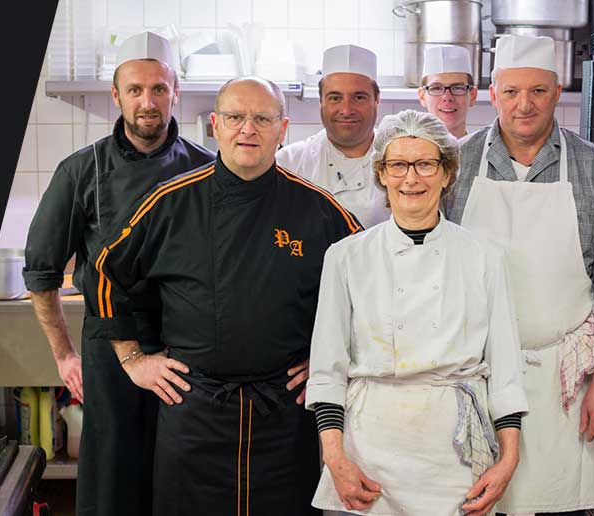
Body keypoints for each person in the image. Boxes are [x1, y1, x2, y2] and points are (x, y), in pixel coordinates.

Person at [83, 77, 362, 516]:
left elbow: (371, 290)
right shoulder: (169, 202)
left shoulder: (319, 210)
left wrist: (331, 362)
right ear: (215, 125)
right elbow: (103, 272)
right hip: (194, 411)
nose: (247, 129)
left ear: (282, 128)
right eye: (235, 117)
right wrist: (133, 359)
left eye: (262, 119)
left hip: (285, 415)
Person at [444, 34, 594, 516]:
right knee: (470, 504)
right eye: (511, 91)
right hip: (474, 379)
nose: (524, 105)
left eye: (537, 91)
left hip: (560, 386)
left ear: (558, 91)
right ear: (492, 94)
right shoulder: (456, 164)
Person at [23, 32, 215, 516]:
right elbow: (42, 273)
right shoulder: (81, 171)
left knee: (181, 473)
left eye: (158, 89)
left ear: (175, 90)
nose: (147, 101)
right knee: (112, 475)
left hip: (187, 348)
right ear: (117, 96)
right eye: (135, 90)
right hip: (110, 347)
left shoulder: (206, 169)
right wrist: (65, 355)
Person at [306, 109, 529, 516]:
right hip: (368, 450)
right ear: (382, 175)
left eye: (426, 164)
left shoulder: (483, 257)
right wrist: (335, 459)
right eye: (398, 165)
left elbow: (507, 369)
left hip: (455, 455)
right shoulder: (346, 257)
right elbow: (327, 369)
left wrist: (508, 459)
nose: (412, 178)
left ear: (447, 174)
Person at [276, 44, 389, 228]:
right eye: (335, 98)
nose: (346, 110)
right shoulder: (289, 163)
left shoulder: (400, 163)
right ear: (321, 101)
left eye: (358, 97)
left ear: (376, 99)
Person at [417, 46, 478, 139]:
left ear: (473, 95)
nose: (447, 97)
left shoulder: (484, 152)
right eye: (436, 88)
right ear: (422, 96)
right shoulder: (408, 152)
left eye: (457, 88)